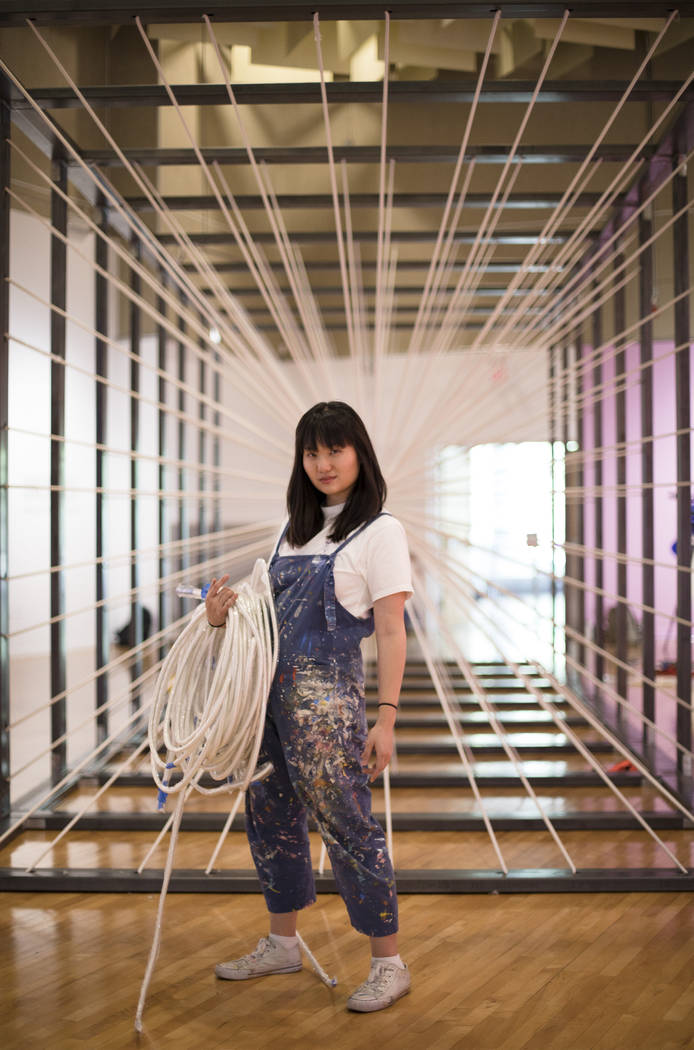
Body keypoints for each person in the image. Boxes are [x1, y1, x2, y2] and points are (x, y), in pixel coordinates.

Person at [205, 401, 413, 1013]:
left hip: (328, 708)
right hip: (266, 705)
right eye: (312, 452)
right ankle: (282, 943)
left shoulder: (381, 531)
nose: (323, 463)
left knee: (348, 826)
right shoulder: (291, 530)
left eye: (335, 450)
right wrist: (223, 615)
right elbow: (263, 621)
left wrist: (388, 717)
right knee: (270, 820)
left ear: (359, 453)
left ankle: (389, 962)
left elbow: (393, 630)